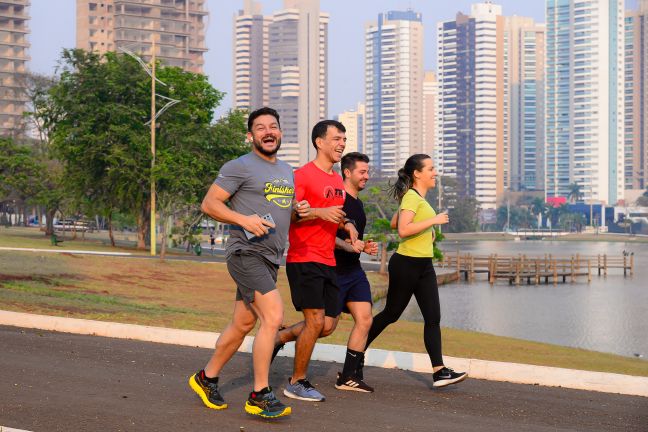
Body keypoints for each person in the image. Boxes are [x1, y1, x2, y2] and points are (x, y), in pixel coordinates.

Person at [188, 107, 310, 418]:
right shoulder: (239, 166)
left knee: (243, 323)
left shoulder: (286, 171)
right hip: (246, 253)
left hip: (270, 259)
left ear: (280, 133)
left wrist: (299, 211)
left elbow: (284, 212)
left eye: (273, 126)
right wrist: (244, 219)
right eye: (260, 127)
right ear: (250, 135)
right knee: (273, 316)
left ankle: (206, 377)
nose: (268, 131)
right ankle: (259, 394)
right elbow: (209, 203)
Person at [360, 154, 467, 388]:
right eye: (430, 168)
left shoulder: (414, 197)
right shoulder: (411, 196)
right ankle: (355, 356)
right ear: (417, 173)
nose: (435, 172)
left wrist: (425, 228)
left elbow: (394, 223)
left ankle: (439, 372)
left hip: (424, 265)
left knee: (433, 318)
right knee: (391, 313)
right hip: (407, 263)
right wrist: (433, 221)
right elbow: (402, 231)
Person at [275, 120, 359, 402]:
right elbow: (290, 215)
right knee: (314, 320)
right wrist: (319, 214)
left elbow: (336, 214)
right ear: (319, 142)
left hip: (328, 260)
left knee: (328, 325)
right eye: (336, 138)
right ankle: (297, 382)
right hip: (304, 257)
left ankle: (281, 337)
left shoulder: (337, 180)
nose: (342, 144)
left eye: (344, 139)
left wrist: (348, 226)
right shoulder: (302, 175)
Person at [332, 152, 378, 393]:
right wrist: (351, 246)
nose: (367, 177)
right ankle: (281, 337)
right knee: (324, 326)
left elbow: (354, 241)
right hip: (334, 271)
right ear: (347, 172)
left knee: (365, 319)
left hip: (354, 271)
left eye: (367, 172)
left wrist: (364, 246)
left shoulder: (358, 205)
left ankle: (348, 376)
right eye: (362, 172)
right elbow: (326, 237)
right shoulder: (336, 200)